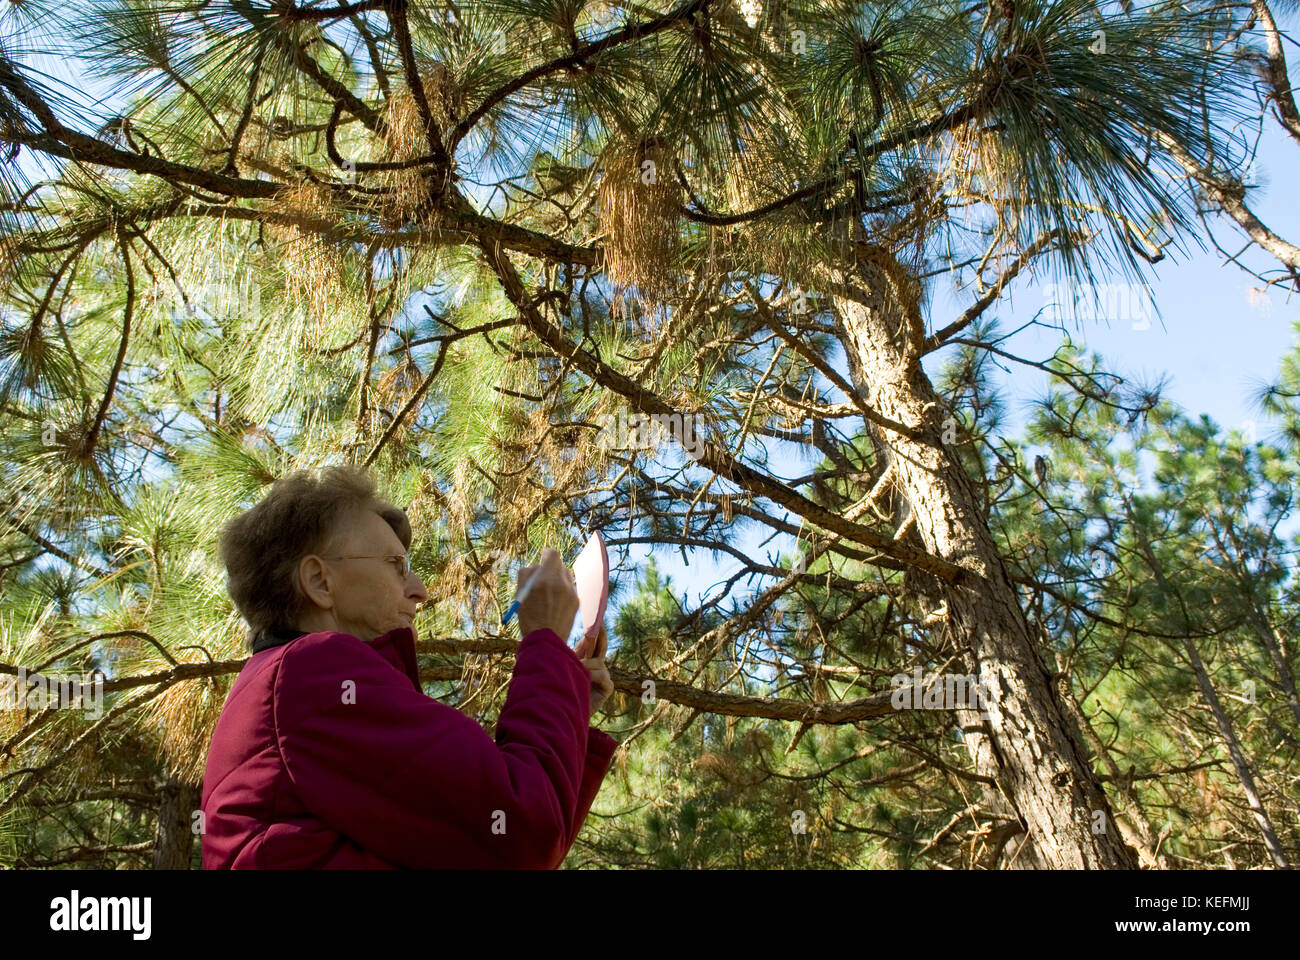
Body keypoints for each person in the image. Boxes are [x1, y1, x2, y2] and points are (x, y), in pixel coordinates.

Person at [200, 464, 617, 868]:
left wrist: (568, 703)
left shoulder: (290, 686)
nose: (419, 590)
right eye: (395, 565)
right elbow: (524, 831)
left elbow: (498, 847)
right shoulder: (311, 673)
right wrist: (544, 640)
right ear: (320, 583)